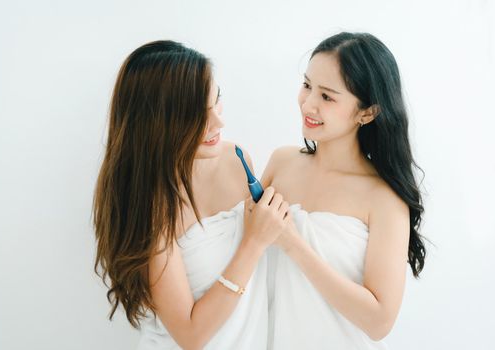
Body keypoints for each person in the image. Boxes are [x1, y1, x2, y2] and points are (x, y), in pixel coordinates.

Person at [92, 40, 288, 349]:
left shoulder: (237, 160)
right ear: (158, 123)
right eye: (196, 114)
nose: (218, 123)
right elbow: (191, 335)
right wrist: (254, 242)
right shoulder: (149, 205)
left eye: (216, 100)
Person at [263, 32, 427, 349]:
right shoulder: (282, 162)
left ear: (367, 113)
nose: (308, 104)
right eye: (307, 85)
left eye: (327, 96)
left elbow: (379, 322)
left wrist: (293, 244)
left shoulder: (383, 198)